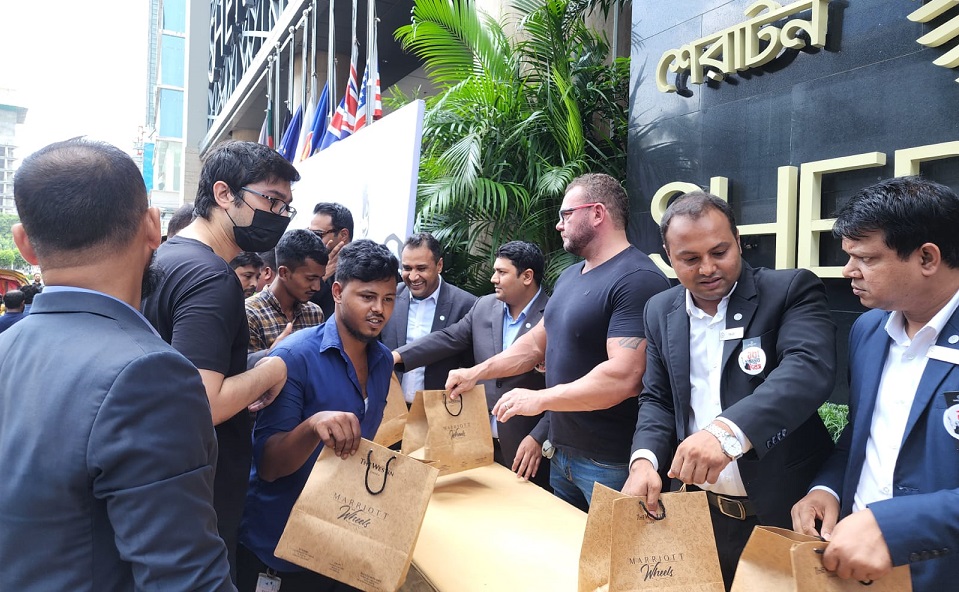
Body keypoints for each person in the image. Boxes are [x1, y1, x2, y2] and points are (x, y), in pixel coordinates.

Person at [0, 138, 233, 590]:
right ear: (153, 227)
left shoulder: (7, 347)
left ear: (24, 243)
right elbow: (186, 579)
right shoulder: (148, 374)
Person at [623, 191, 836, 589]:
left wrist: (725, 433)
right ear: (669, 256)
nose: (707, 268)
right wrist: (644, 460)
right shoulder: (660, 309)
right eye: (690, 259)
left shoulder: (788, 290)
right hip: (697, 513)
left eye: (719, 252)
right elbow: (658, 398)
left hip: (784, 512)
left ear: (738, 240)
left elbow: (808, 370)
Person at [447, 173, 670, 510]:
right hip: (562, 455)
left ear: (597, 213)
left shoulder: (637, 278)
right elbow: (534, 344)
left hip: (610, 462)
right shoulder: (569, 276)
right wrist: (475, 373)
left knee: (607, 547)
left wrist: (539, 399)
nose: (558, 224)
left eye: (566, 214)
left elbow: (625, 377)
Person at [791, 176, 959, 592]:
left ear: (926, 257)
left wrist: (895, 525)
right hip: (857, 572)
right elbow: (860, 434)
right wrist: (827, 488)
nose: (848, 271)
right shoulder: (867, 330)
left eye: (865, 258)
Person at [142, 140, 295, 578]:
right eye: (271, 200)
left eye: (286, 207)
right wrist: (274, 368)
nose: (279, 216)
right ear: (224, 194)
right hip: (199, 490)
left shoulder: (165, 258)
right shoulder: (212, 277)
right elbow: (204, 402)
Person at [238, 240, 399, 592]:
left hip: (339, 542)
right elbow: (269, 466)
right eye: (368, 297)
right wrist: (313, 426)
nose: (379, 309)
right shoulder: (294, 357)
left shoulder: (383, 360)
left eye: (388, 299)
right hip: (277, 545)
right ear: (337, 292)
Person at [393, 241, 551, 488]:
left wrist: (538, 437)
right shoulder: (484, 306)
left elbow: (565, 386)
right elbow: (449, 338)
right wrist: (397, 357)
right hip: (475, 445)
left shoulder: (554, 314)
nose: (493, 278)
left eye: (501, 272)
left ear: (527, 276)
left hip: (525, 449)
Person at [382, 232, 478, 403]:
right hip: (391, 408)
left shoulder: (466, 305)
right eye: (407, 268)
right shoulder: (388, 297)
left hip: (442, 410)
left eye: (421, 268)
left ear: (439, 265)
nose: (413, 277)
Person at [246, 229, 327, 365]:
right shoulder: (250, 314)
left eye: (320, 278)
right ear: (283, 273)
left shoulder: (314, 313)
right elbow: (240, 370)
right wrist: (273, 354)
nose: (317, 287)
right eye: (310, 278)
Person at [308, 202, 353, 319]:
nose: (312, 240)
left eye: (318, 234)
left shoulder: (362, 267)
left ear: (343, 235)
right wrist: (321, 277)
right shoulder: (307, 262)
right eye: (309, 233)